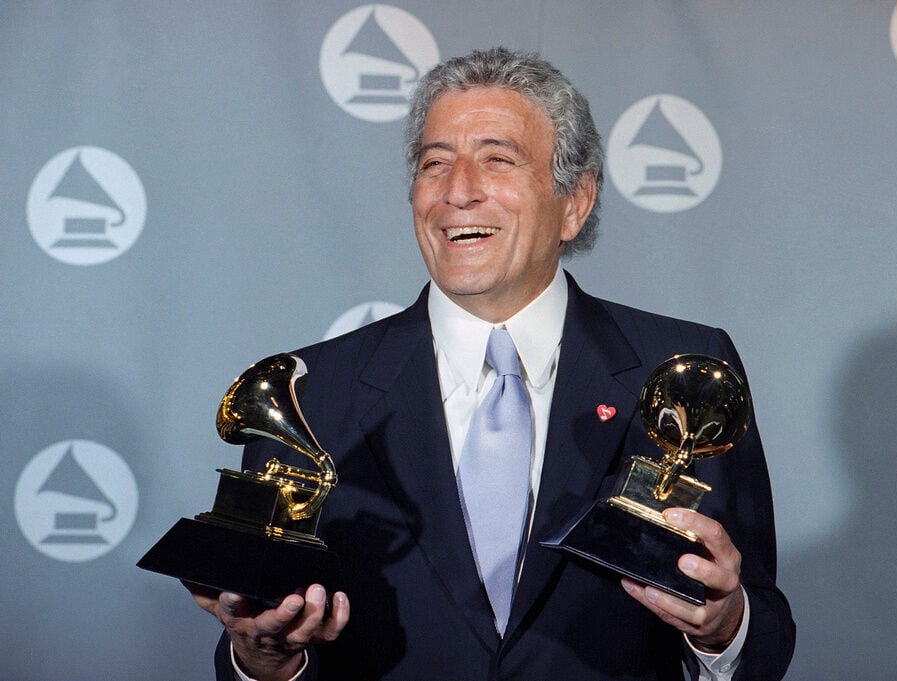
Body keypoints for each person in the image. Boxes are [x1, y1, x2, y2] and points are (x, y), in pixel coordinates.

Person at [189, 47, 795, 681]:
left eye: (497, 160)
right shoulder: (308, 396)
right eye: (435, 164)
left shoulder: (684, 373)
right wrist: (266, 656)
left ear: (575, 202)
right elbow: (264, 629)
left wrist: (726, 625)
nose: (458, 192)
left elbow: (765, 640)